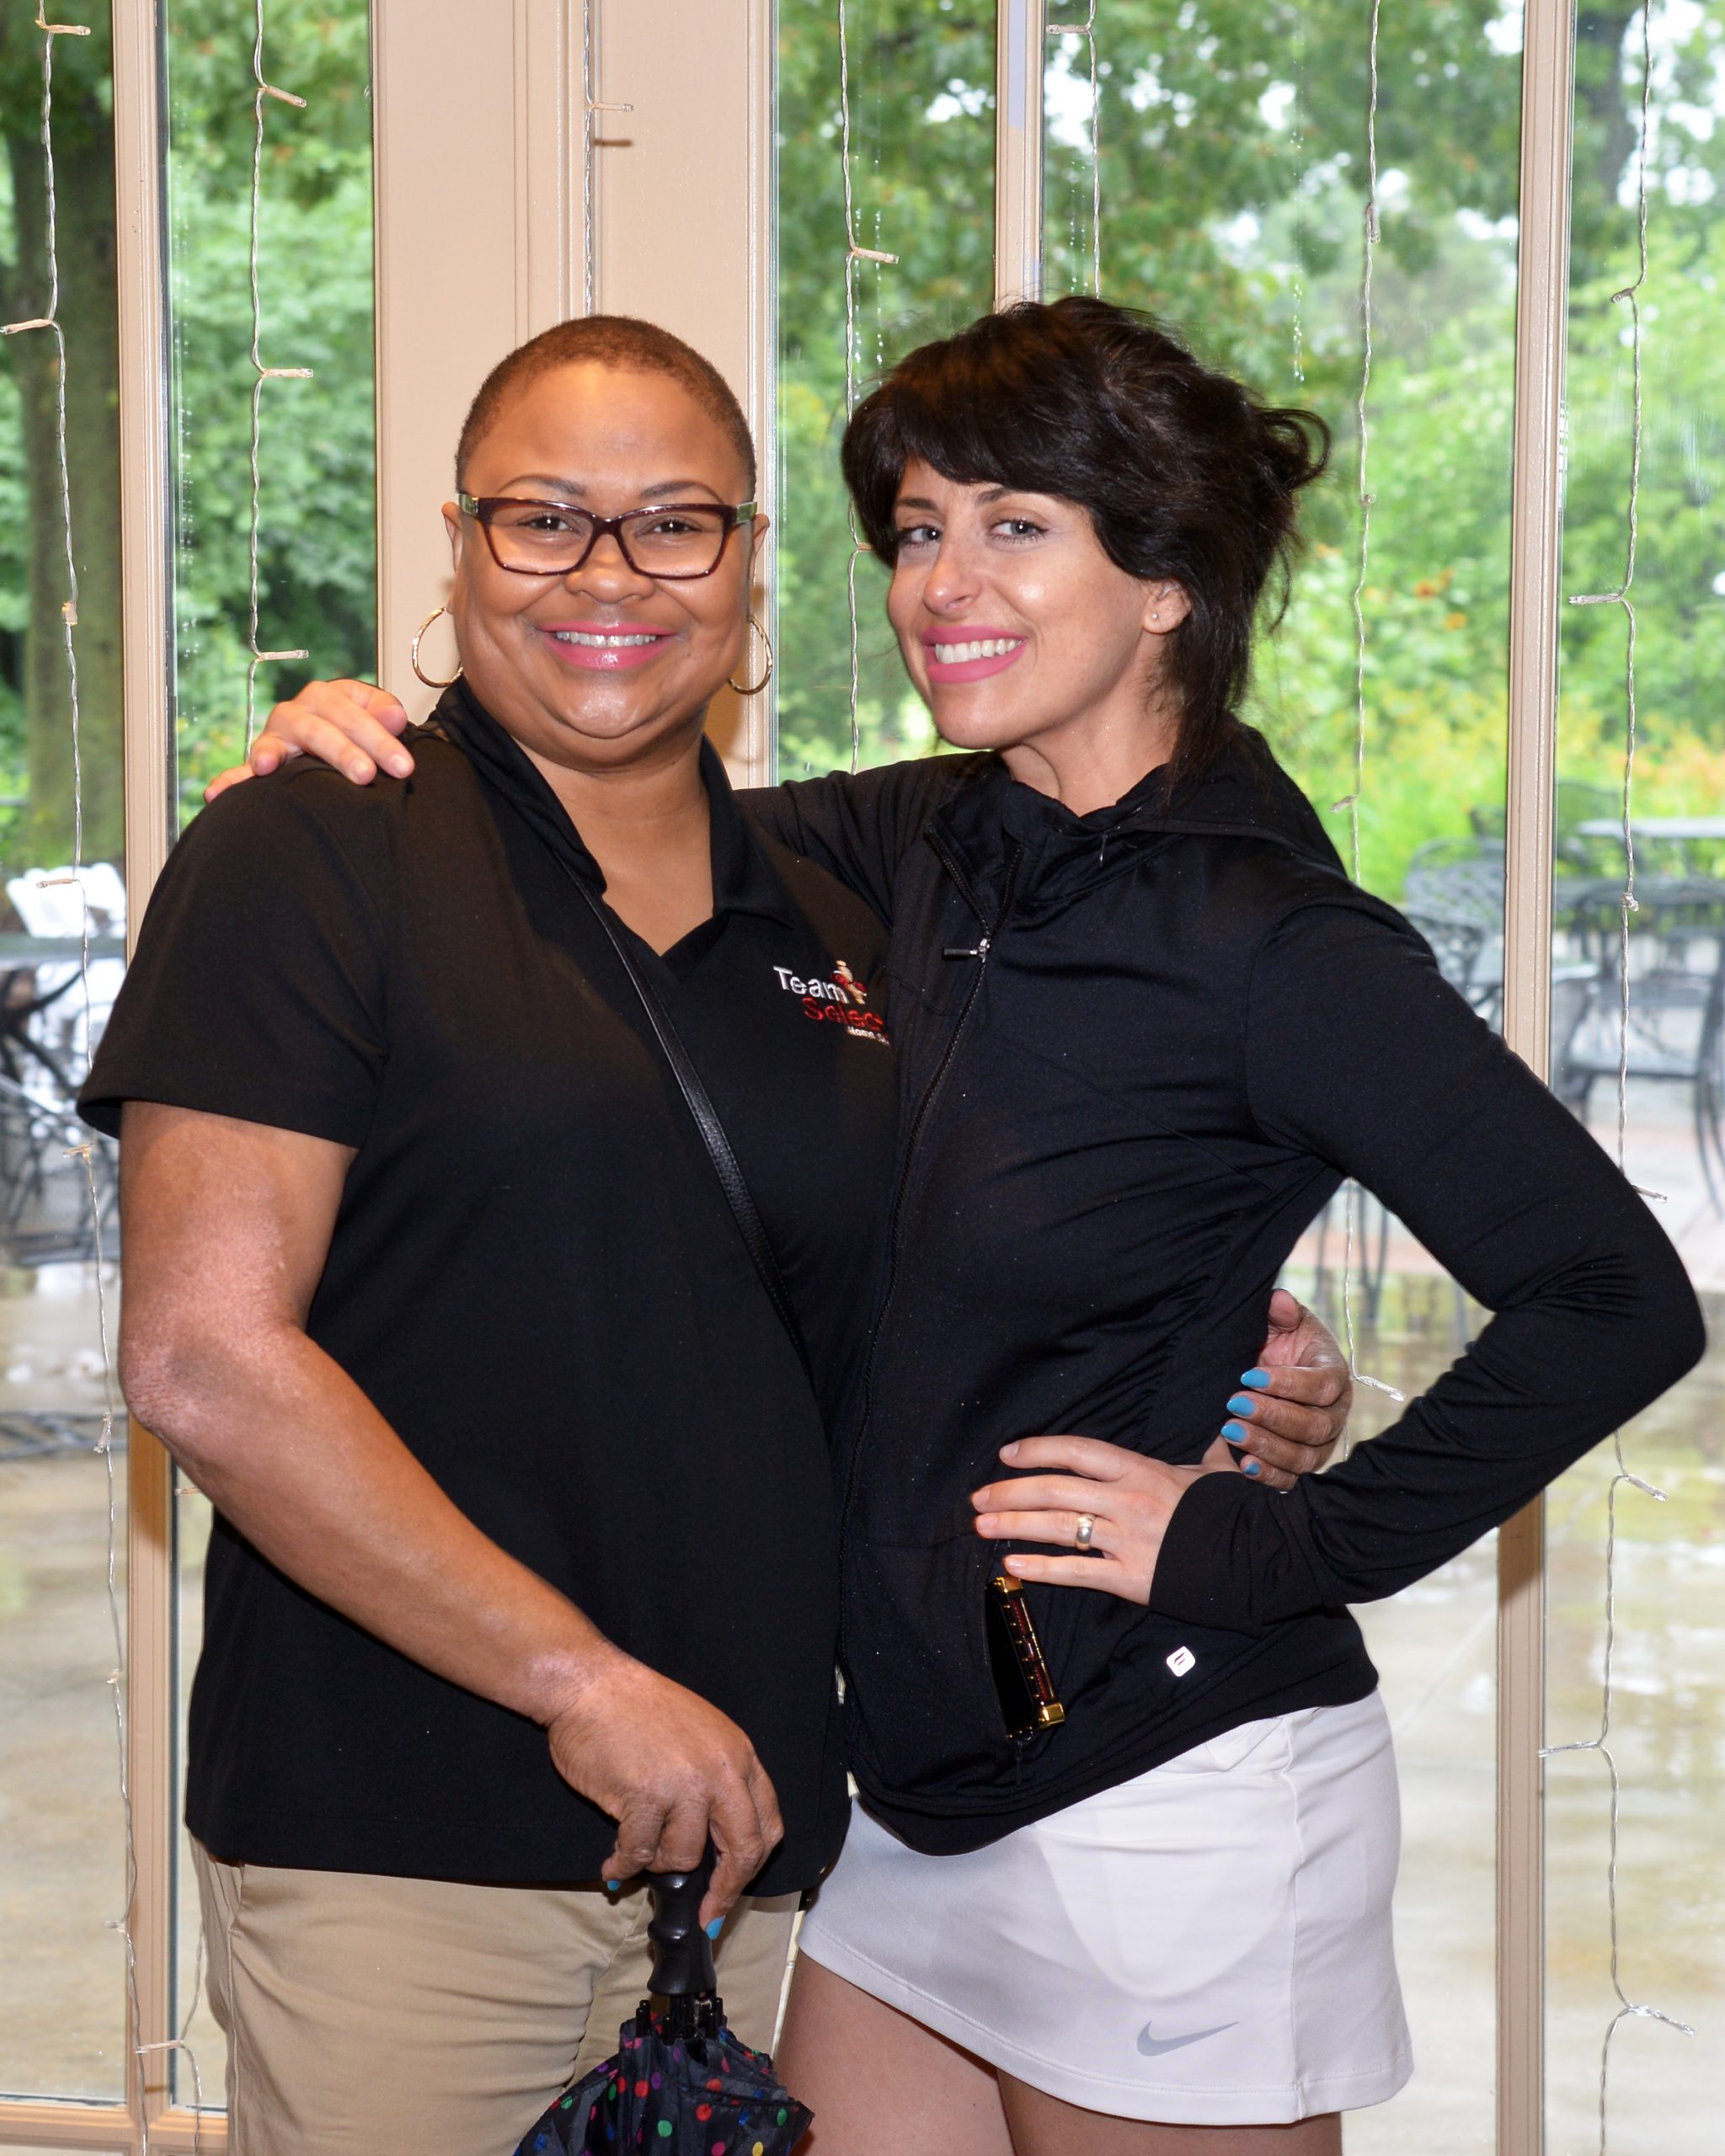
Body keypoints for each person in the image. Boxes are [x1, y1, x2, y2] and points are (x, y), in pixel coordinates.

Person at [248, 299, 1706, 2156]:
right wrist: (364, 741)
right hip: (911, 1800)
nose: (942, 583)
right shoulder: (913, 844)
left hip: (1170, 1794)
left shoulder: (1273, 943)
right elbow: (578, 803)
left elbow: (1614, 1295)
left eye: (1016, 525)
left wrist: (1271, 1539)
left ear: (1166, 577)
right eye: (919, 530)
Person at [88, 312, 1349, 2156]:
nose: (607, 575)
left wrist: (1234, 1355)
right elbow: (204, 1359)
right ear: (458, 544)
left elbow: (1010, 1207)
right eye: (542, 518)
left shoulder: (853, 889)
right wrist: (580, 1684)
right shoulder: (316, 855)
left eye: (675, 523)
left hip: (760, 1846)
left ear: (749, 562)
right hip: (406, 1849)